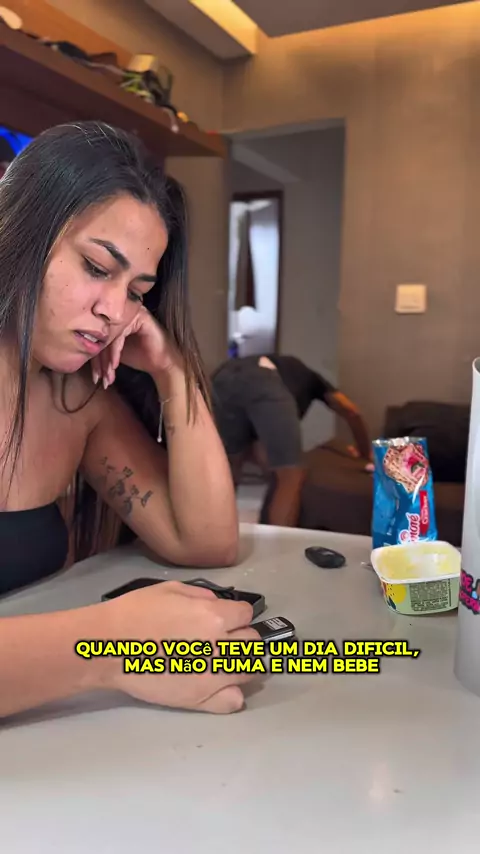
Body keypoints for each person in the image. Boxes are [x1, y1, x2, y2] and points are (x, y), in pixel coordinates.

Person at [0, 121, 261, 719]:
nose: (114, 310)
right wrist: (109, 648)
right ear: (17, 232)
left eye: (137, 291)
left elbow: (205, 542)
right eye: (97, 267)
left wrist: (173, 371)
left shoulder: (77, 402)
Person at [211, 353, 372, 527]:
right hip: (261, 376)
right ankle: (281, 543)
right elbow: (351, 411)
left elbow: (260, 449)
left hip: (220, 377)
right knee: (290, 475)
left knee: (228, 467)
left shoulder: (286, 379)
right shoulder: (315, 382)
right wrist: (365, 454)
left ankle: (215, 535)